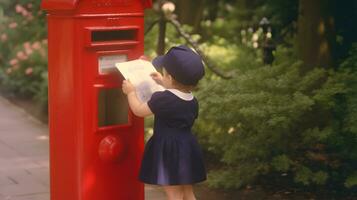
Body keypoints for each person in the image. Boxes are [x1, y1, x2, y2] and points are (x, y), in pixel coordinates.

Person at [122, 45, 206, 200]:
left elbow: (139, 111)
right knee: (187, 192)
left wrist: (131, 92)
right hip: (187, 147)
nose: (163, 74)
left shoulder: (163, 99)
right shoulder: (192, 100)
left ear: (171, 78)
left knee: (173, 194)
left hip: (169, 150)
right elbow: (176, 95)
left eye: (164, 73)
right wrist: (162, 81)